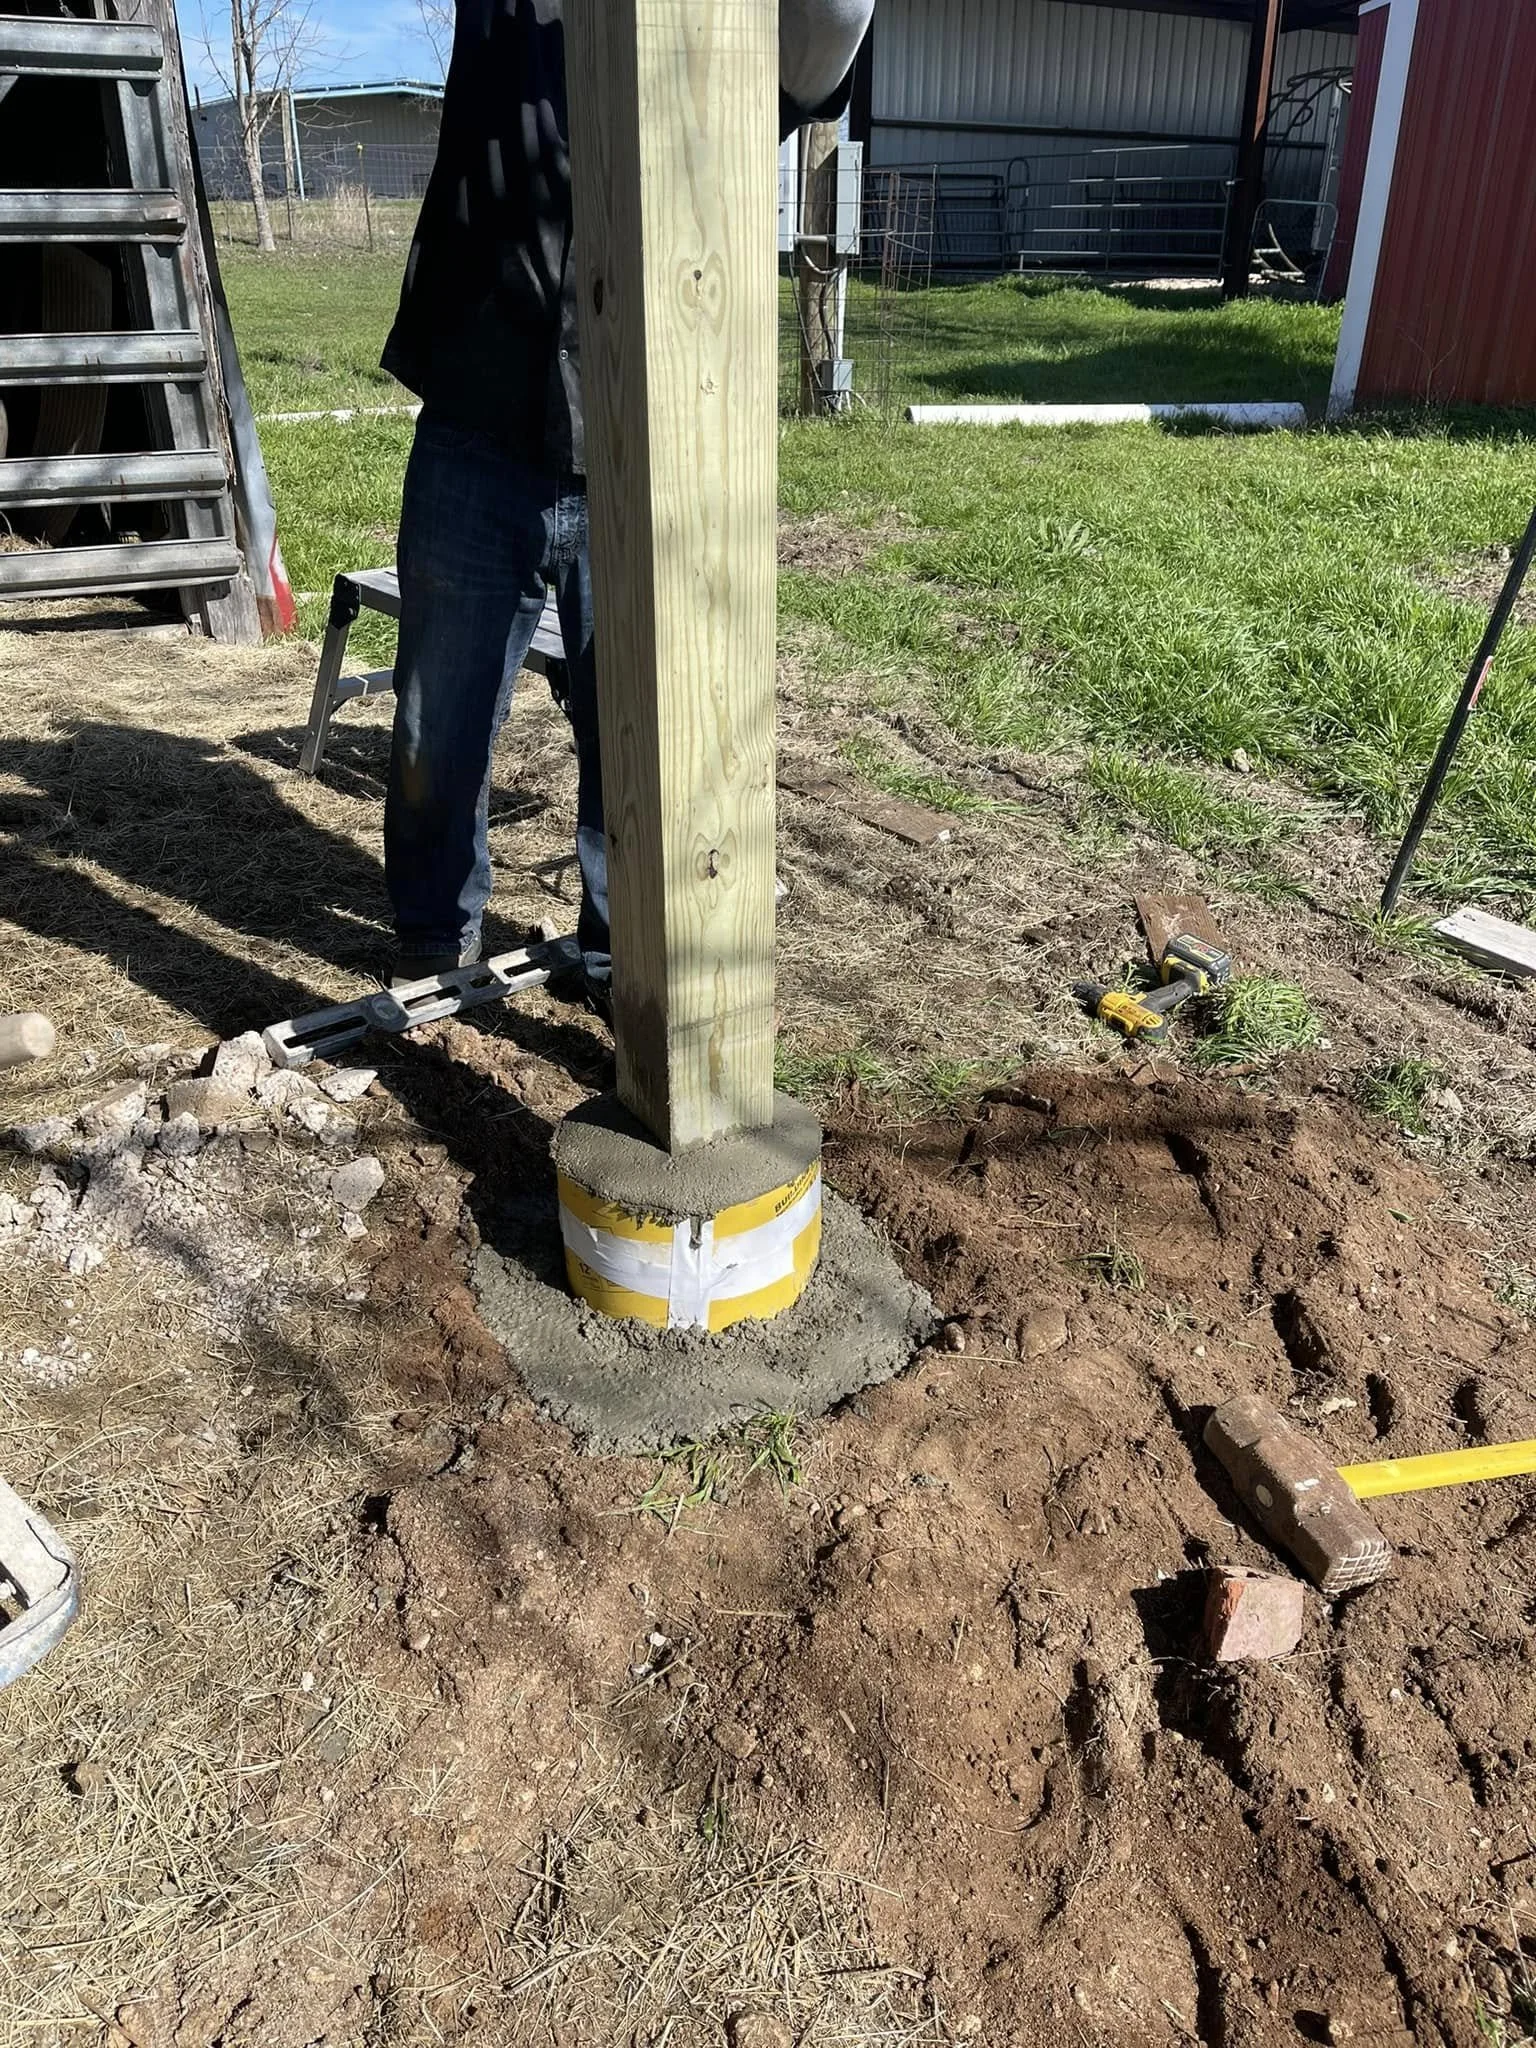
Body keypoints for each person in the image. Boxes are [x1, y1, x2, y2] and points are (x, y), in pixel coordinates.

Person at [380, 0, 876, 1006]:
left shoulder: (720, 35)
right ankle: (436, 940)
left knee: (640, 723)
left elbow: (824, 43)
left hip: (645, 432)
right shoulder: (510, 20)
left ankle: (620, 943)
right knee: (439, 716)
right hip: (479, 410)